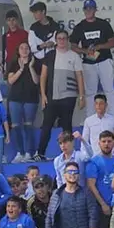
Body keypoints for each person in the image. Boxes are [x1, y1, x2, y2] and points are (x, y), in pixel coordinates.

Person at [35, 30, 85, 162]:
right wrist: (43, 95)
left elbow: (79, 76)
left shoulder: (74, 56)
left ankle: (69, 155)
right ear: (56, 40)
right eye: (59, 38)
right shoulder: (50, 55)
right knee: (46, 125)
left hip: (69, 97)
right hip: (52, 97)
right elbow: (43, 76)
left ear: (67, 40)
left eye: (64, 38)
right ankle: (40, 153)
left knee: (67, 126)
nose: (62, 41)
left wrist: (81, 96)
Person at [70, 0, 114, 115]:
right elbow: (73, 46)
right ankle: (90, 117)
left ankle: (112, 115)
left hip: (105, 60)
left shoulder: (103, 24)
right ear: (83, 10)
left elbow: (113, 43)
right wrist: (84, 51)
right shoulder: (80, 27)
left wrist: (100, 46)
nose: (88, 11)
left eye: (91, 8)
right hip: (88, 62)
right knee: (90, 92)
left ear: (95, 9)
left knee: (109, 89)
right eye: (86, 8)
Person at [6, 42, 41, 162]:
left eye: (27, 48)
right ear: (18, 50)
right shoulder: (14, 63)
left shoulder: (35, 62)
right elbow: (10, 81)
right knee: (15, 126)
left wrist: (30, 67)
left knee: (28, 126)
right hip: (15, 98)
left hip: (31, 98)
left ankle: (29, 153)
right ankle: (19, 152)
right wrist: (21, 69)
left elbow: (37, 81)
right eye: (22, 48)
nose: (24, 50)